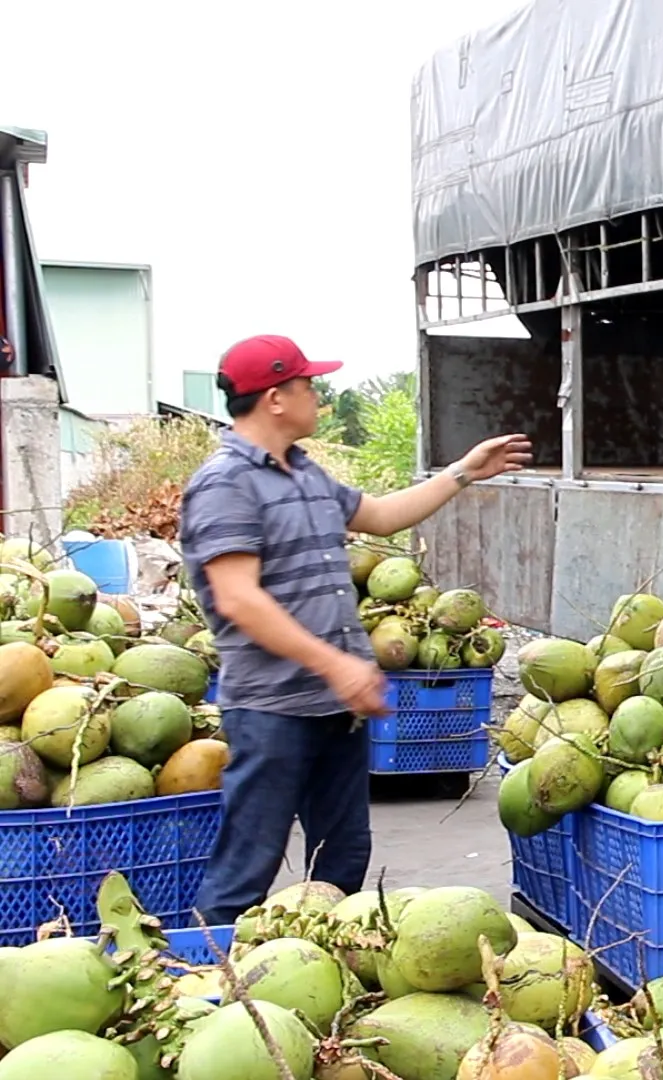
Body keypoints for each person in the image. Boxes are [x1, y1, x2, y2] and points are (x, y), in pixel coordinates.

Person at [180, 334, 532, 924]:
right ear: (274, 398)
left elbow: (381, 515)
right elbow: (239, 599)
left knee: (341, 860)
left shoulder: (305, 472)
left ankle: (322, 974)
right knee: (250, 862)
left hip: (335, 709)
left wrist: (464, 473)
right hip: (274, 709)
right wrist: (337, 662)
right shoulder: (224, 483)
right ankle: (209, 980)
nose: (318, 395)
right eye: (308, 385)